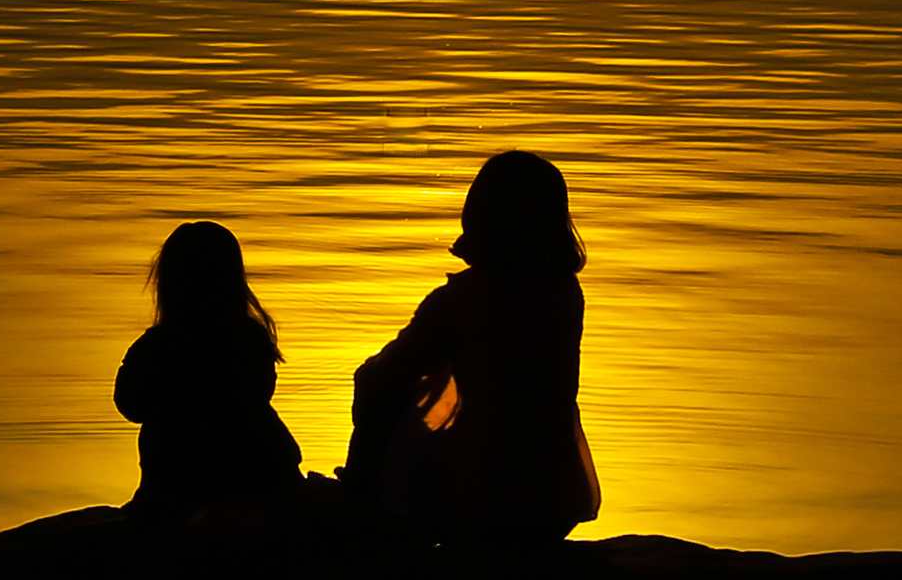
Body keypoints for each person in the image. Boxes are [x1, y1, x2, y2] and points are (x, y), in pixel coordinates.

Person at [344, 152, 599, 545]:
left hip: (482, 496)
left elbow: (387, 374)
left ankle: (362, 508)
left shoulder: (461, 299)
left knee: (377, 386)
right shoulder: (564, 292)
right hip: (555, 492)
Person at [115, 221, 304, 522]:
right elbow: (259, 392)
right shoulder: (250, 338)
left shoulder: (155, 346)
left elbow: (130, 404)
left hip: (177, 484)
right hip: (263, 474)